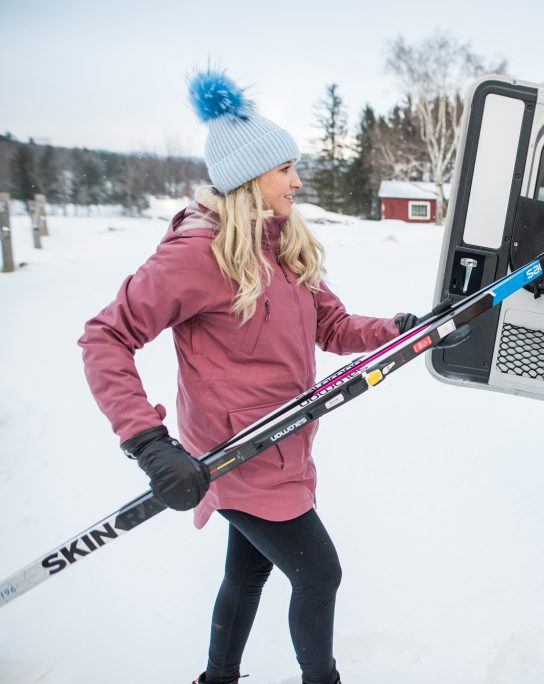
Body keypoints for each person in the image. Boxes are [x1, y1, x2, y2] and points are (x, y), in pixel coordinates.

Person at [78, 69, 423, 684]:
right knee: (319, 574)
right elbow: (105, 337)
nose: (298, 181)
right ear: (249, 178)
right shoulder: (198, 254)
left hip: (283, 442)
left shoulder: (282, 242)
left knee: (248, 570)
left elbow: (332, 325)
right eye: (285, 169)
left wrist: (397, 329)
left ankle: (217, 678)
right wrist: (149, 444)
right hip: (235, 454)